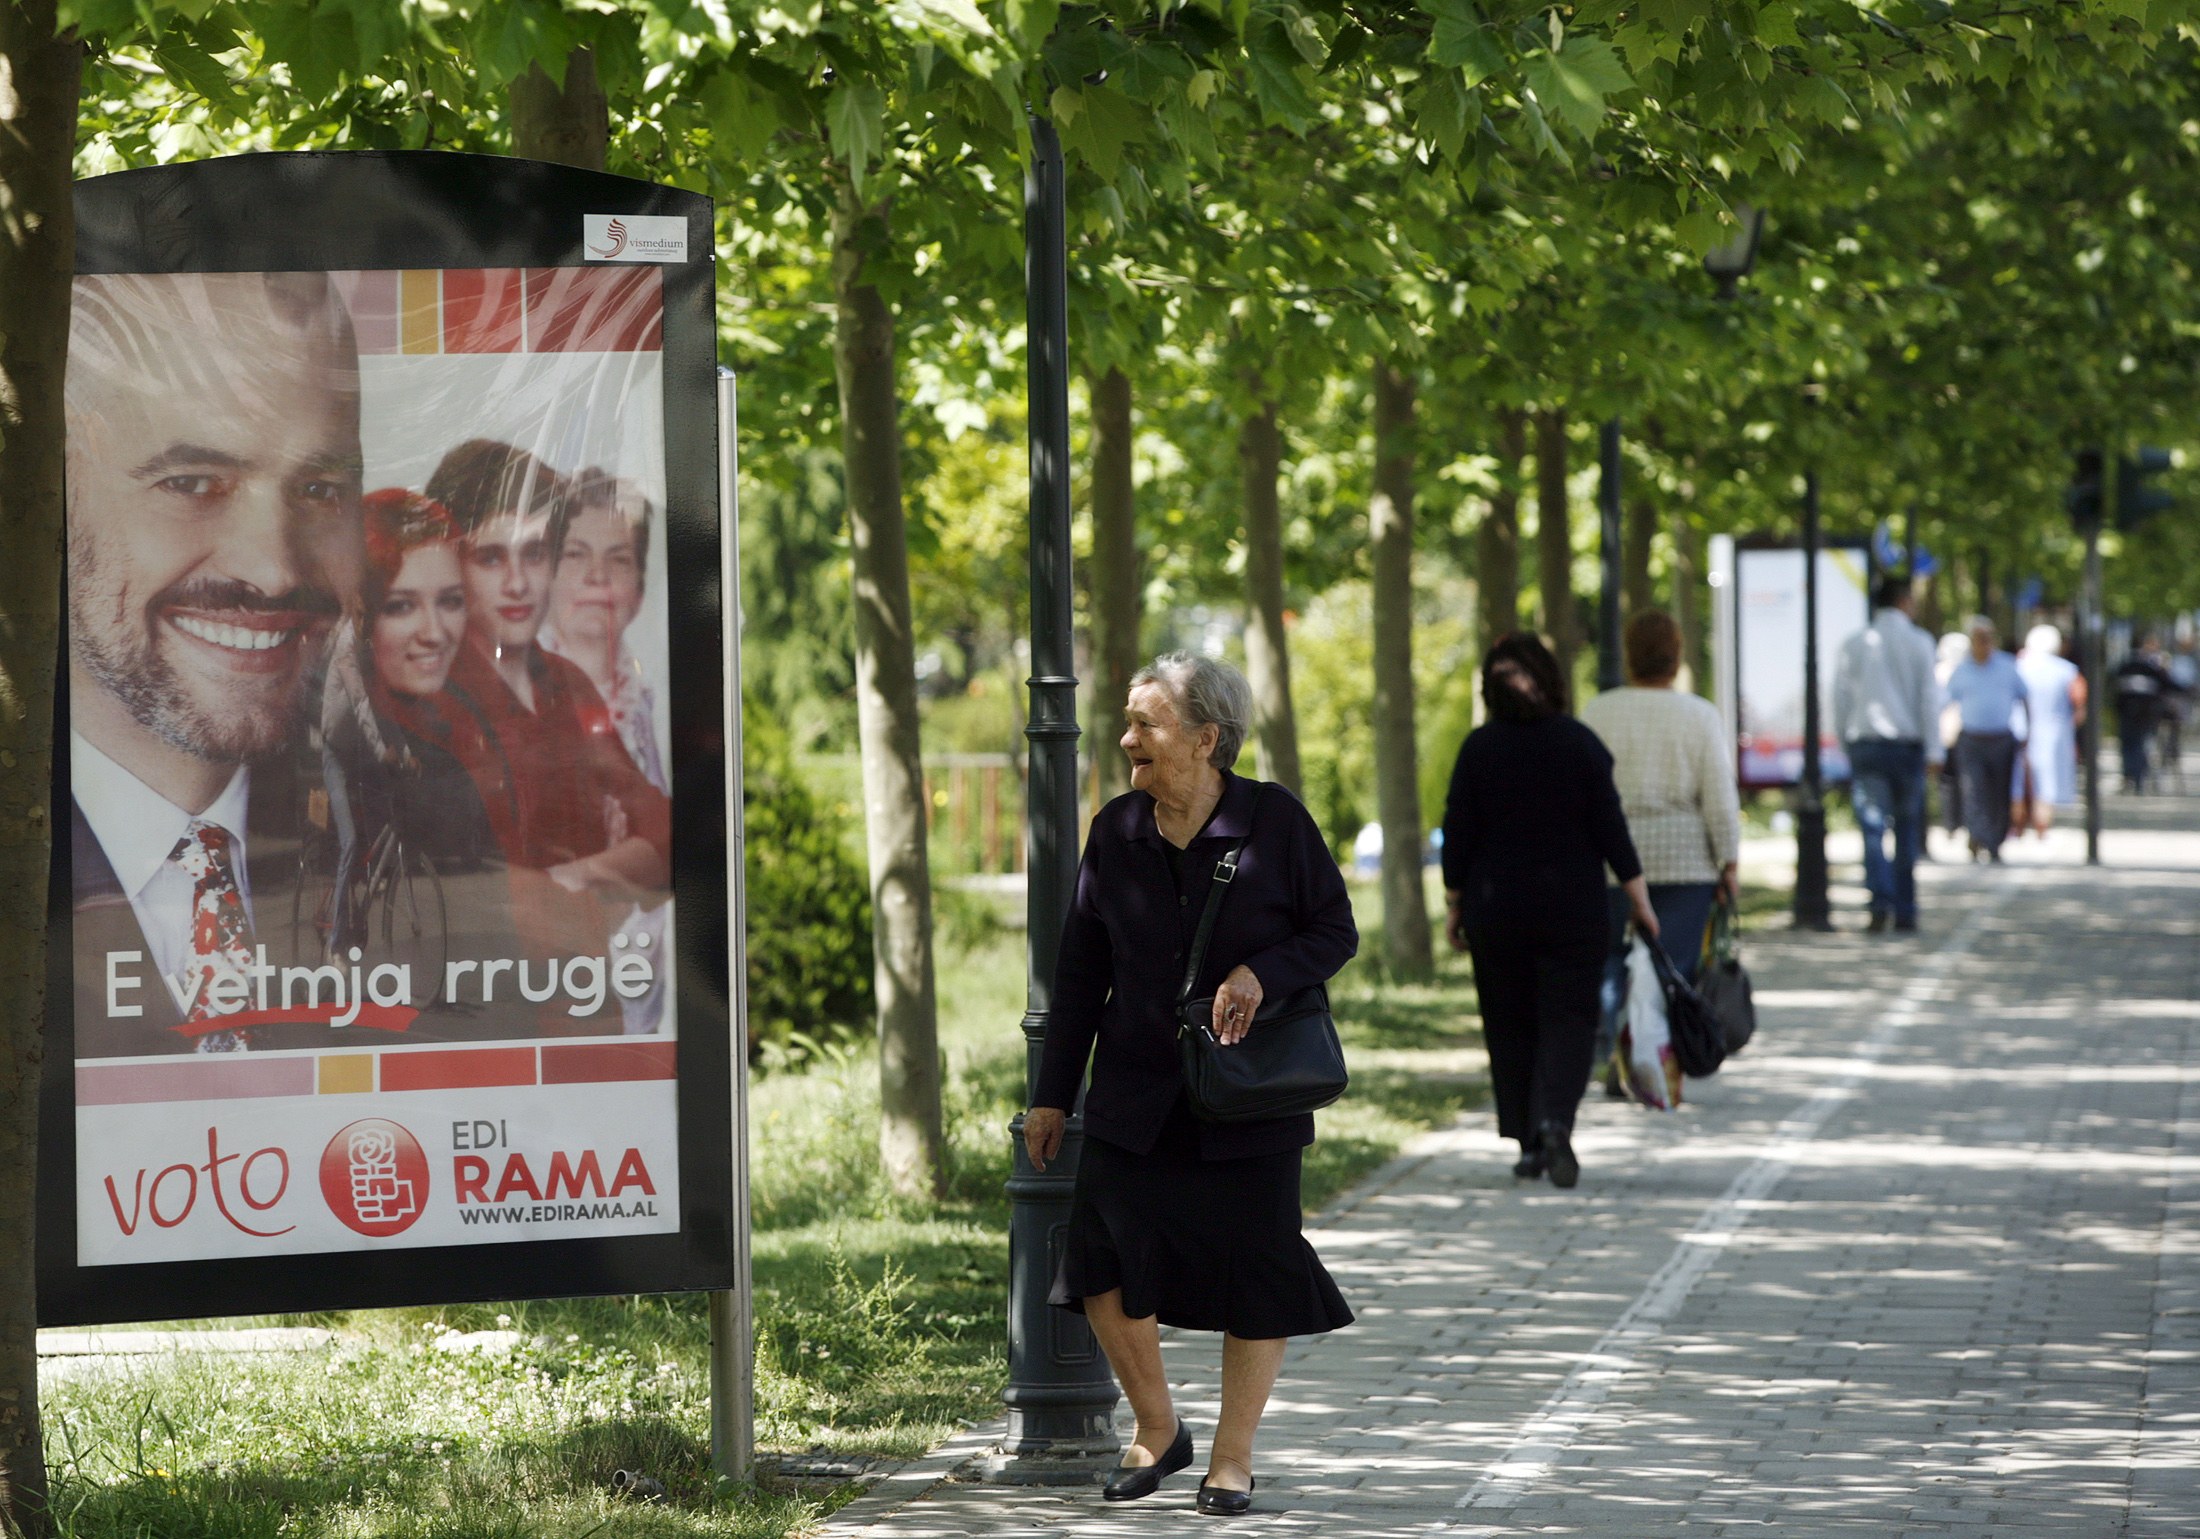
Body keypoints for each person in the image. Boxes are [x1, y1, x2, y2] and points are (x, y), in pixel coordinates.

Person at [1024, 653, 1356, 1516]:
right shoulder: (1117, 830)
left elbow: (1335, 930)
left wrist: (1262, 972)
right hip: (1136, 1089)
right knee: (1100, 1264)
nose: (1127, 737)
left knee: (1259, 1265)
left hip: (1249, 1094)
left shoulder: (1274, 822)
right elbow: (1079, 972)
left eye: (1147, 723)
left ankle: (1232, 1457)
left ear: (1208, 739)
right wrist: (1053, 1093)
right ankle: (1157, 1428)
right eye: (1128, 721)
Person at [64, 272, 362, 1057]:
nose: (272, 568)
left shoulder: (403, 832)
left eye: (321, 488)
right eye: (192, 482)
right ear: (56, 493)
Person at [427, 440, 672, 974]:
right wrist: (621, 870)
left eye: (535, 553)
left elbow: (669, 835)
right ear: (452, 563)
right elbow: (474, 905)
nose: (517, 583)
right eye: (490, 557)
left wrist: (577, 879)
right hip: (479, 1009)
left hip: (586, 999)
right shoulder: (430, 697)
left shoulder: (567, 684)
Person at [1442, 633, 1657, 1188]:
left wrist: (1453, 905)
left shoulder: (1478, 749)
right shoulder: (1579, 743)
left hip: (1496, 907)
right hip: (1574, 907)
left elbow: (1458, 835)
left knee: (1508, 1021)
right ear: (1552, 680)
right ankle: (1558, 1121)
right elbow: (1612, 829)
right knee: (1569, 1019)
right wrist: (1640, 901)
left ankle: (1526, 1140)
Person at [1580, 610, 1741, 1086]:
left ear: (1629, 655)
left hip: (1610, 860)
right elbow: (1718, 796)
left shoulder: (1598, 712)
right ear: (1676, 655)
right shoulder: (1699, 714)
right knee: (1672, 966)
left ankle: (1619, 1046)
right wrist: (1728, 862)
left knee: (1610, 958)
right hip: (1684, 862)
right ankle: (1658, 1063)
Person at [543, 470, 671, 1034]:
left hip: (651, 1005)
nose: (597, 576)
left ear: (639, 589)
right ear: (546, 577)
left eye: (618, 560)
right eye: (577, 555)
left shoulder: (659, 708)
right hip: (548, 1000)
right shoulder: (514, 698)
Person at [1832, 575, 1941, 933]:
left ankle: (1879, 903)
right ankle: (1906, 911)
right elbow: (1928, 699)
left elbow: (1840, 700)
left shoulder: (1854, 644)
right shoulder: (1921, 642)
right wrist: (1934, 749)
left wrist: (1846, 742)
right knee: (1907, 830)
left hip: (1866, 745)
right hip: (1907, 748)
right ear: (1905, 600)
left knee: (1873, 829)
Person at [1942, 616, 2029, 861]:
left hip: (2001, 738)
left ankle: (1995, 841)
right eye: (1979, 638)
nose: (1984, 643)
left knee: (1999, 793)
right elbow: (1946, 701)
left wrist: (2027, 732)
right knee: (1973, 790)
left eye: (1988, 638)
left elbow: (2024, 697)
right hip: (1971, 739)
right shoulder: (1962, 670)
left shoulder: (2007, 666)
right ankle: (1977, 834)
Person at [2015, 624, 2084, 833]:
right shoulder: (2067, 670)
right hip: (2055, 731)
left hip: (2020, 729)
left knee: (2020, 779)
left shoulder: (2019, 666)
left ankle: (2018, 824)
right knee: (2049, 781)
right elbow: (2080, 701)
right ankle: (2042, 824)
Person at [2112, 634, 2180, 794]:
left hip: (2131, 712)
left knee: (2131, 744)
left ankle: (2131, 776)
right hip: (2144, 713)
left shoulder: (2125, 666)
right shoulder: (2152, 668)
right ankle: (2136, 777)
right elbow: (2169, 686)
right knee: (2140, 744)